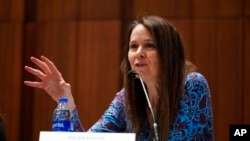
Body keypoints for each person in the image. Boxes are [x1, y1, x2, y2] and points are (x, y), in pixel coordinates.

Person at [24, 15, 214, 140]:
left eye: (149, 45)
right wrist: (66, 102)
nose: (138, 53)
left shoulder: (192, 85)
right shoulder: (127, 99)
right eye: (133, 46)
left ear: (169, 52)